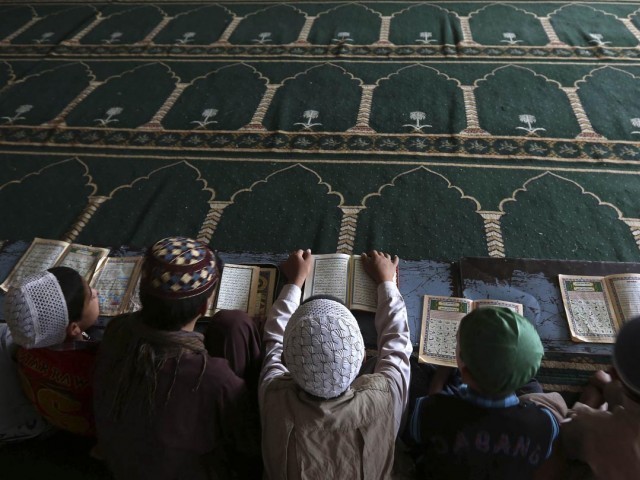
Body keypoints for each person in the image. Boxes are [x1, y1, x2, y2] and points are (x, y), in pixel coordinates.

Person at [93, 236, 262, 480]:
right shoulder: (213, 378)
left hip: (121, 466)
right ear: (204, 307)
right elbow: (249, 443)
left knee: (231, 325)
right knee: (237, 326)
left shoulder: (117, 331)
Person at [259, 249, 412, 479]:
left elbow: (274, 344)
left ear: (288, 365)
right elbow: (397, 345)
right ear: (362, 359)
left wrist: (295, 282)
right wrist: (387, 282)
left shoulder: (274, 395)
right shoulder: (384, 397)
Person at [406, 307, 564, 479]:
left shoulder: (429, 410)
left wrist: (441, 374)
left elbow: (424, 419)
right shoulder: (545, 424)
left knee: (414, 370)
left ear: (464, 372)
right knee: (534, 389)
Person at [2, 266, 100, 440]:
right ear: (74, 328)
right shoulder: (97, 363)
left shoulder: (24, 344)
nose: (96, 292)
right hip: (83, 429)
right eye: (91, 297)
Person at [561, 317, 640, 479]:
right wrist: (610, 387)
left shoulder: (597, 428)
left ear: (613, 372)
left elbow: (566, 433)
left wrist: (587, 406)